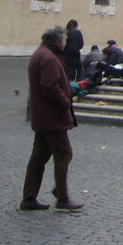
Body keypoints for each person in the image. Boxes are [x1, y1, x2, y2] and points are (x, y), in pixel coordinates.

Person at [21, 26, 81, 211]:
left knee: (39, 156)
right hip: (51, 117)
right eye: (64, 40)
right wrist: (65, 102)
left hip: (43, 116)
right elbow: (50, 87)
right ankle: (62, 196)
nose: (65, 43)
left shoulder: (42, 54)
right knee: (64, 153)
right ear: (58, 41)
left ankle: (29, 197)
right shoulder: (48, 58)